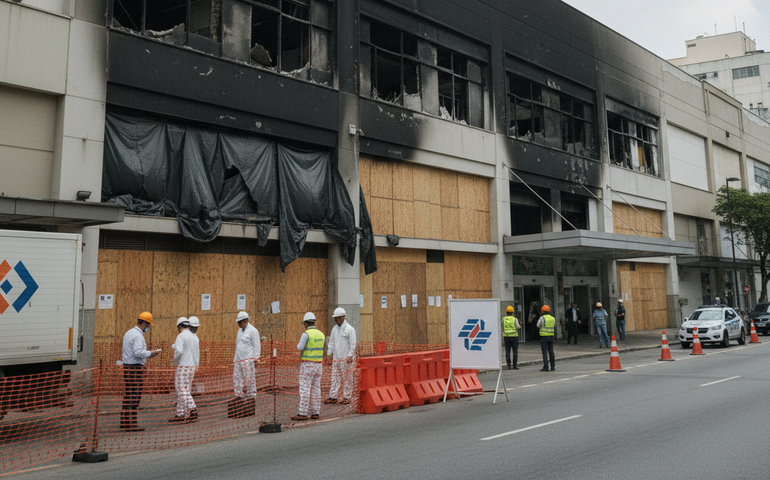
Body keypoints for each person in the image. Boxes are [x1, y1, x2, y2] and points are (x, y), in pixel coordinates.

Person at [121, 311, 161, 432]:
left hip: (127, 367)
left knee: (128, 394)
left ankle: (124, 422)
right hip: (135, 368)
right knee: (135, 394)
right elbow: (138, 353)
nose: (148, 328)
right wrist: (152, 353)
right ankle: (132, 424)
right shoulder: (138, 336)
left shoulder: (128, 333)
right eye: (148, 325)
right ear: (144, 322)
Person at [292, 312, 325, 421]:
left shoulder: (306, 334)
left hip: (307, 364)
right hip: (319, 365)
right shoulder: (321, 334)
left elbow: (300, 347)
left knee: (305, 388)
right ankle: (316, 412)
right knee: (316, 389)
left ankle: (302, 412)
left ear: (306, 323)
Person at [170, 317, 200, 423]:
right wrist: (196, 365)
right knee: (186, 390)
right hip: (192, 367)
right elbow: (197, 354)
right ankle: (181, 413)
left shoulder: (181, 336)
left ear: (180, 327)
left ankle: (192, 409)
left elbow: (179, 351)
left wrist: (174, 361)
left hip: (183, 366)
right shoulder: (194, 337)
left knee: (181, 390)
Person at [325, 307, 357, 405]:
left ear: (343, 317)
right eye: (335, 318)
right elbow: (331, 342)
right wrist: (329, 354)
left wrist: (349, 356)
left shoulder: (350, 329)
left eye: (338, 318)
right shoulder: (334, 329)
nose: (336, 320)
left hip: (346, 359)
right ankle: (333, 396)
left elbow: (353, 344)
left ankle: (347, 396)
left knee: (347, 378)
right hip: (336, 359)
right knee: (335, 378)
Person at [233, 311, 261, 399]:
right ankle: (238, 394)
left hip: (248, 359)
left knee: (249, 379)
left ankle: (251, 396)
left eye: (239, 322)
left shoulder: (253, 330)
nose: (238, 324)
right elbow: (238, 345)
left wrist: (256, 358)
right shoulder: (240, 331)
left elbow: (257, 345)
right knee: (237, 378)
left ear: (245, 320)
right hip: (238, 359)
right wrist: (235, 359)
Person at [536, 305, 556, 371]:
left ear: (543, 311)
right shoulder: (552, 318)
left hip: (544, 337)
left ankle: (546, 366)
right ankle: (552, 366)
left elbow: (538, 325)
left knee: (544, 352)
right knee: (551, 351)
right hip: (551, 336)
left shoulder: (542, 318)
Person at [501, 305, 520, 370]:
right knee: (515, 351)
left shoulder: (503, 319)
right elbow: (517, 326)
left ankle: (508, 365)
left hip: (506, 336)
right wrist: (519, 327)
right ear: (512, 312)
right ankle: (514, 365)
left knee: (507, 351)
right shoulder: (515, 319)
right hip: (514, 336)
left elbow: (503, 326)